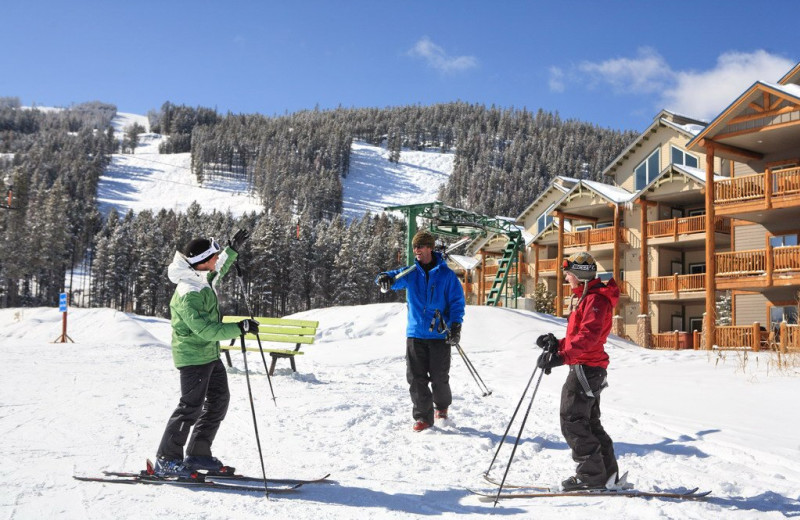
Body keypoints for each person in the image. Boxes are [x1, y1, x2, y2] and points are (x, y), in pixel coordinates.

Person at [154, 229, 259, 479]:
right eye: (213, 256)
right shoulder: (188, 293)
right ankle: (166, 460)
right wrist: (238, 327)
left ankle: (198, 452)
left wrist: (232, 250)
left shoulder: (202, 277)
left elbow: (219, 269)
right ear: (201, 262)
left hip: (210, 355)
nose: (216, 260)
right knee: (189, 408)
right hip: (193, 358)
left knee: (218, 403)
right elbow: (204, 329)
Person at [537, 251, 620, 491]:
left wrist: (562, 357)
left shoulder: (595, 300)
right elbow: (578, 338)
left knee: (572, 421)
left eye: (570, 274)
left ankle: (591, 476)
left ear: (581, 276)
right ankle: (606, 474)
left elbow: (589, 338)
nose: (566, 279)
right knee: (588, 422)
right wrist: (557, 345)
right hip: (588, 366)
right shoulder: (588, 298)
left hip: (586, 367)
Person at [376, 229, 466, 432]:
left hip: (439, 333)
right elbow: (391, 278)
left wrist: (455, 325)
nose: (416, 250)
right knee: (416, 379)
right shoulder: (410, 273)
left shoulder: (447, 276)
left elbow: (456, 303)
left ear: (430, 248)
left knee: (439, 377)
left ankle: (441, 407)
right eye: (414, 247)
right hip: (415, 334)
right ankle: (423, 417)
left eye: (420, 246)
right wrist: (384, 278)